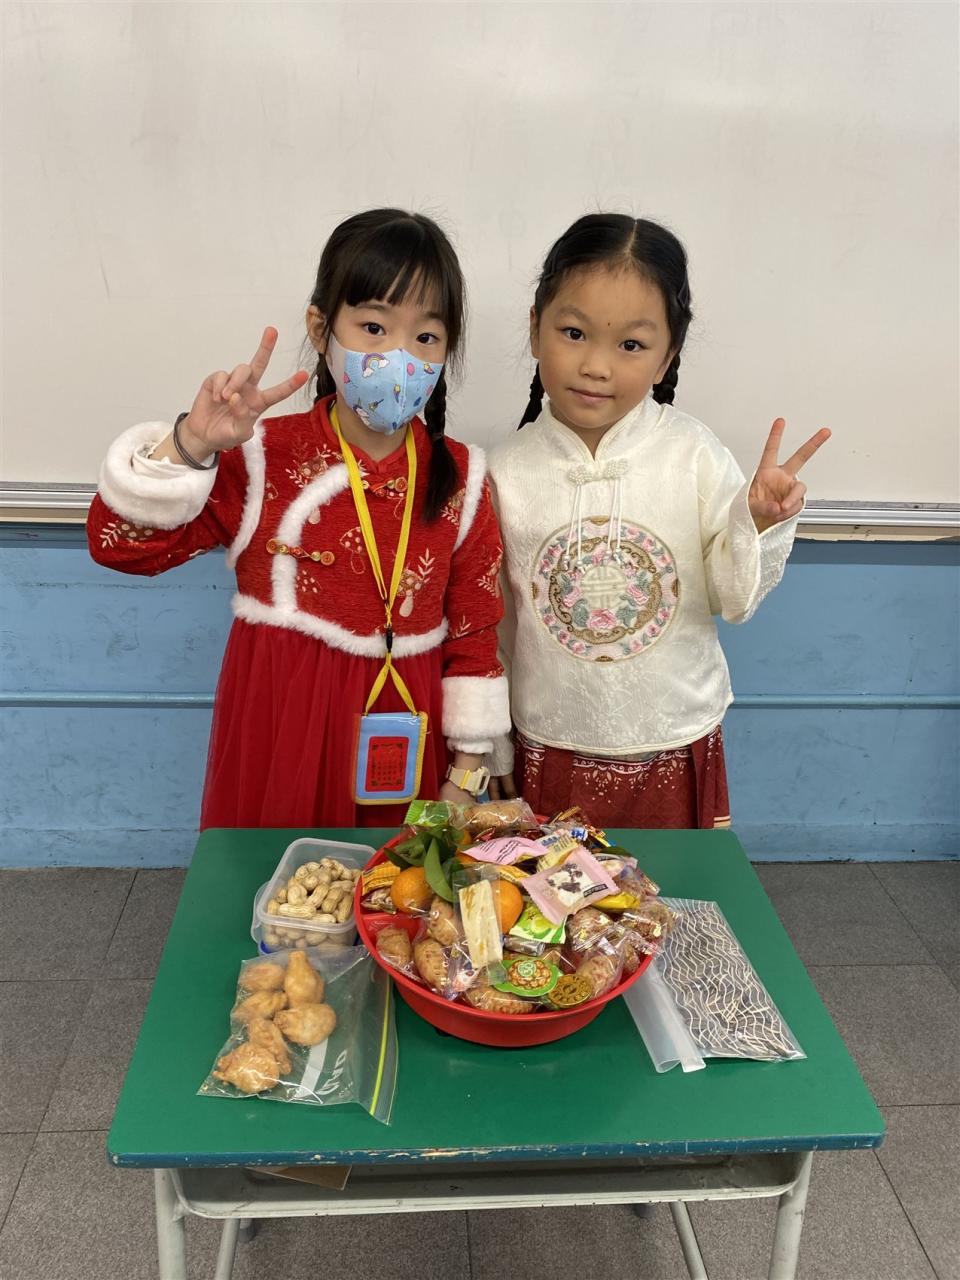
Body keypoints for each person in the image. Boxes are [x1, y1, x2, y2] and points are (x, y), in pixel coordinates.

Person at [88, 208, 509, 829]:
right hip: (280, 726)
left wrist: (466, 775)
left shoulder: (462, 478)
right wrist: (191, 446)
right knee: (281, 886)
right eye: (373, 327)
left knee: (394, 887)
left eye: (426, 338)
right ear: (320, 328)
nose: (399, 357)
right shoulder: (261, 455)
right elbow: (121, 547)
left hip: (410, 731)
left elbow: (476, 638)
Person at [486, 213, 829, 828]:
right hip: (549, 739)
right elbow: (494, 625)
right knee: (554, 890)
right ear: (535, 329)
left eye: (631, 345)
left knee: (674, 887)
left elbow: (732, 598)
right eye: (573, 332)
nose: (596, 366)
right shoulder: (502, 471)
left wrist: (756, 521)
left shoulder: (692, 453)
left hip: (674, 736)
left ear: (668, 356)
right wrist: (494, 740)